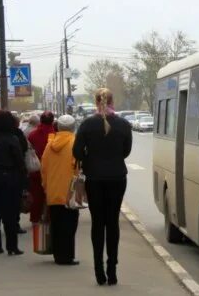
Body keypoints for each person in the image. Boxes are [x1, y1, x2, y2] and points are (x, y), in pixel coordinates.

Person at [73, 88, 132, 286]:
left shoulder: (87, 124)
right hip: (117, 177)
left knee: (97, 222)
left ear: (96, 101)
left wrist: (92, 159)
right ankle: (112, 270)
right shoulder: (123, 124)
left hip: (95, 178)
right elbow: (126, 151)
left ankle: (99, 270)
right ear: (112, 101)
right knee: (112, 222)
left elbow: (77, 152)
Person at [0, 110, 27, 255]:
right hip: (10, 178)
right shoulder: (12, 139)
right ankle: (12, 247)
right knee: (10, 213)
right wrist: (24, 180)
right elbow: (20, 161)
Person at [41, 115, 80, 265]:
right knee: (69, 226)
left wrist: (46, 186)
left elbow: (43, 168)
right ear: (73, 127)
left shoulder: (50, 144)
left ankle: (58, 255)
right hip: (69, 192)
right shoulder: (75, 143)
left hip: (53, 191)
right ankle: (67, 256)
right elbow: (78, 167)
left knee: (56, 224)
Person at [27, 111, 55, 223]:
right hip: (51, 170)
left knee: (36, 195)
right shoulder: (54, 135)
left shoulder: (33, 134)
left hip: (36, 169)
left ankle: (35, 218)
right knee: (50, 195)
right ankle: (48, 217)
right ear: (52, 121)